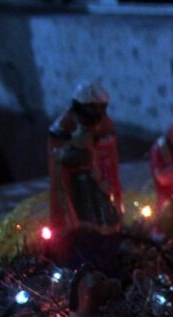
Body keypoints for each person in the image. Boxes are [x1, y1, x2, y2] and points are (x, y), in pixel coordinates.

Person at [47, 80, 122, 234]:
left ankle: (105, 230)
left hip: (96, 175)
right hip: (76, 176)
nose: (97, 112)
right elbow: (57, 152)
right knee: (80, 208)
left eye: (101, 107)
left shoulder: (102, 121)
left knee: (102, 206)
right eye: (92, 107)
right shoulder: (66, 122)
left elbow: (108, 143)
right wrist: (76, 149)